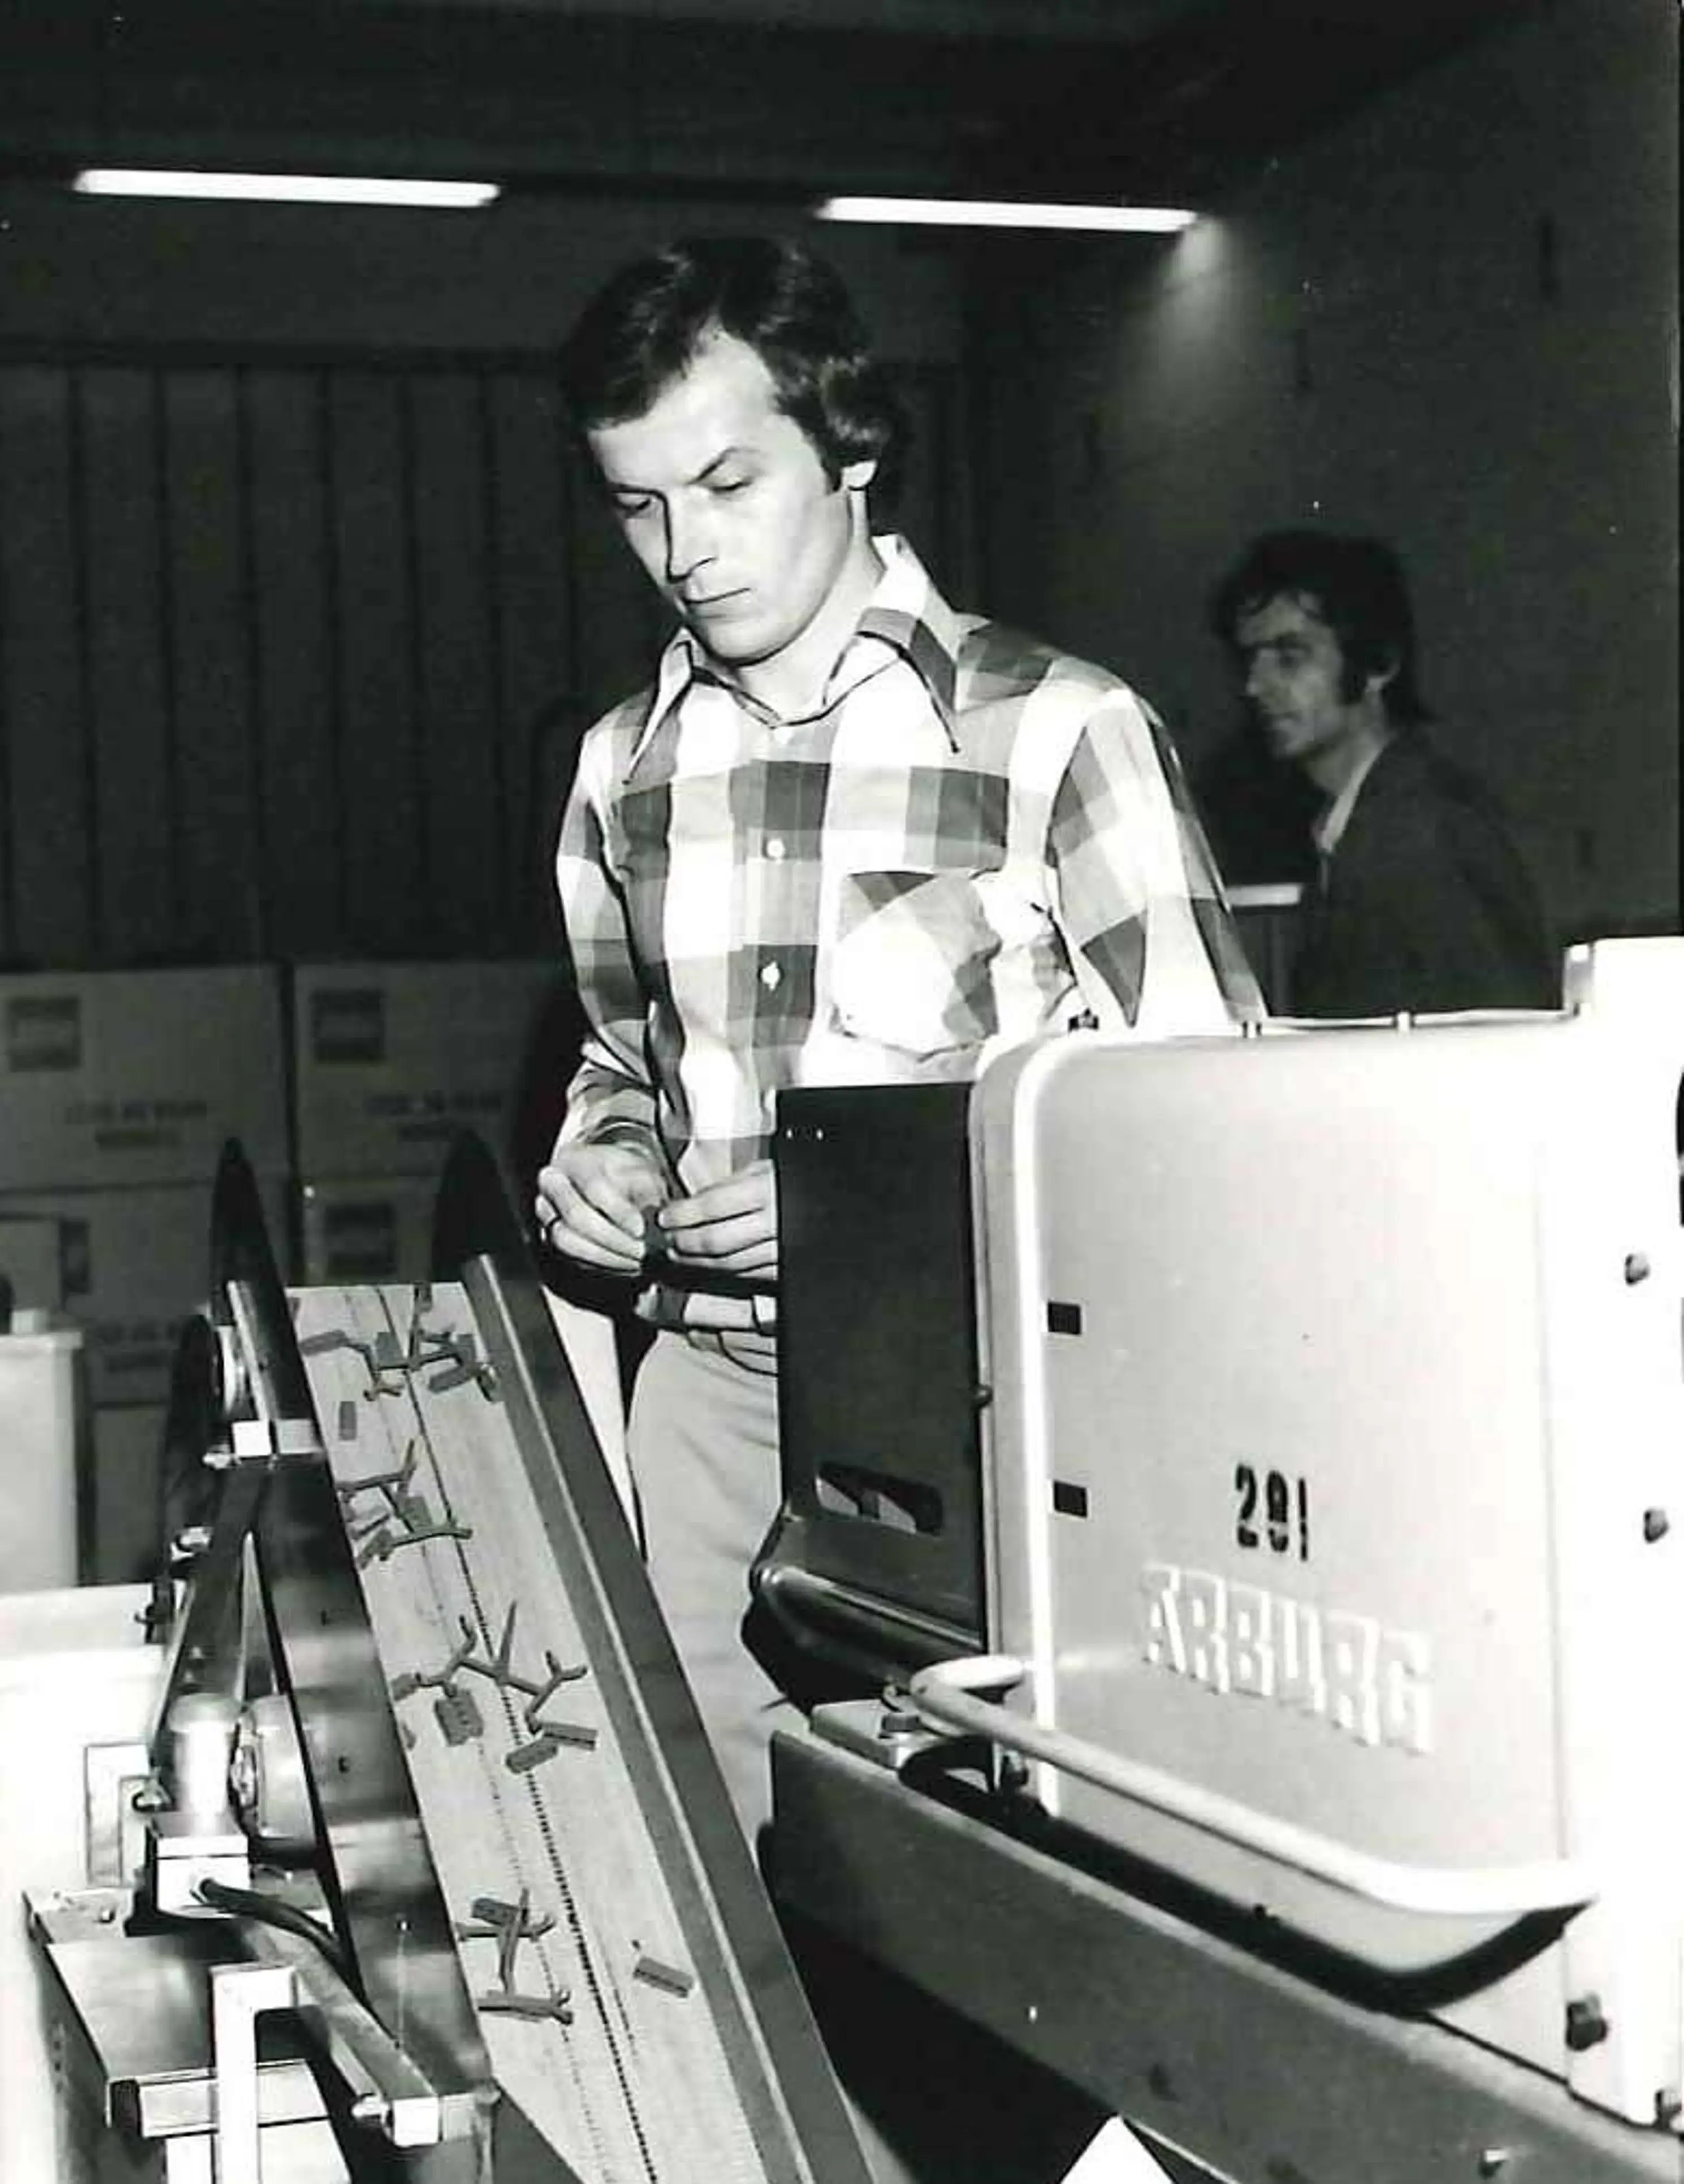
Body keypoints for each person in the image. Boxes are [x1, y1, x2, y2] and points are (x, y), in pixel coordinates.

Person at [532, 235, 1261, 1855]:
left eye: (727, 483)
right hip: (710, 1405)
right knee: (729, 1903)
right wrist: (610, 1156)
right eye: (637, 504)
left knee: (985, 1896)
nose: (684, 551)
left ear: (850, 447)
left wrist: (885, 1214)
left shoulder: (1055, 734)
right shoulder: (617, 777)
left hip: (987, 1425)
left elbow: (1220, 1156)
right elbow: (615, 1059)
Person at [1210, 529, 1559, 1016]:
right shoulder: (1368, 822)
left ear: (1379, 664)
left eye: (1289, 657)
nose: (1254, 685)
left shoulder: (1424, 829)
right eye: (1250, 660)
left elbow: (1493, 1044)